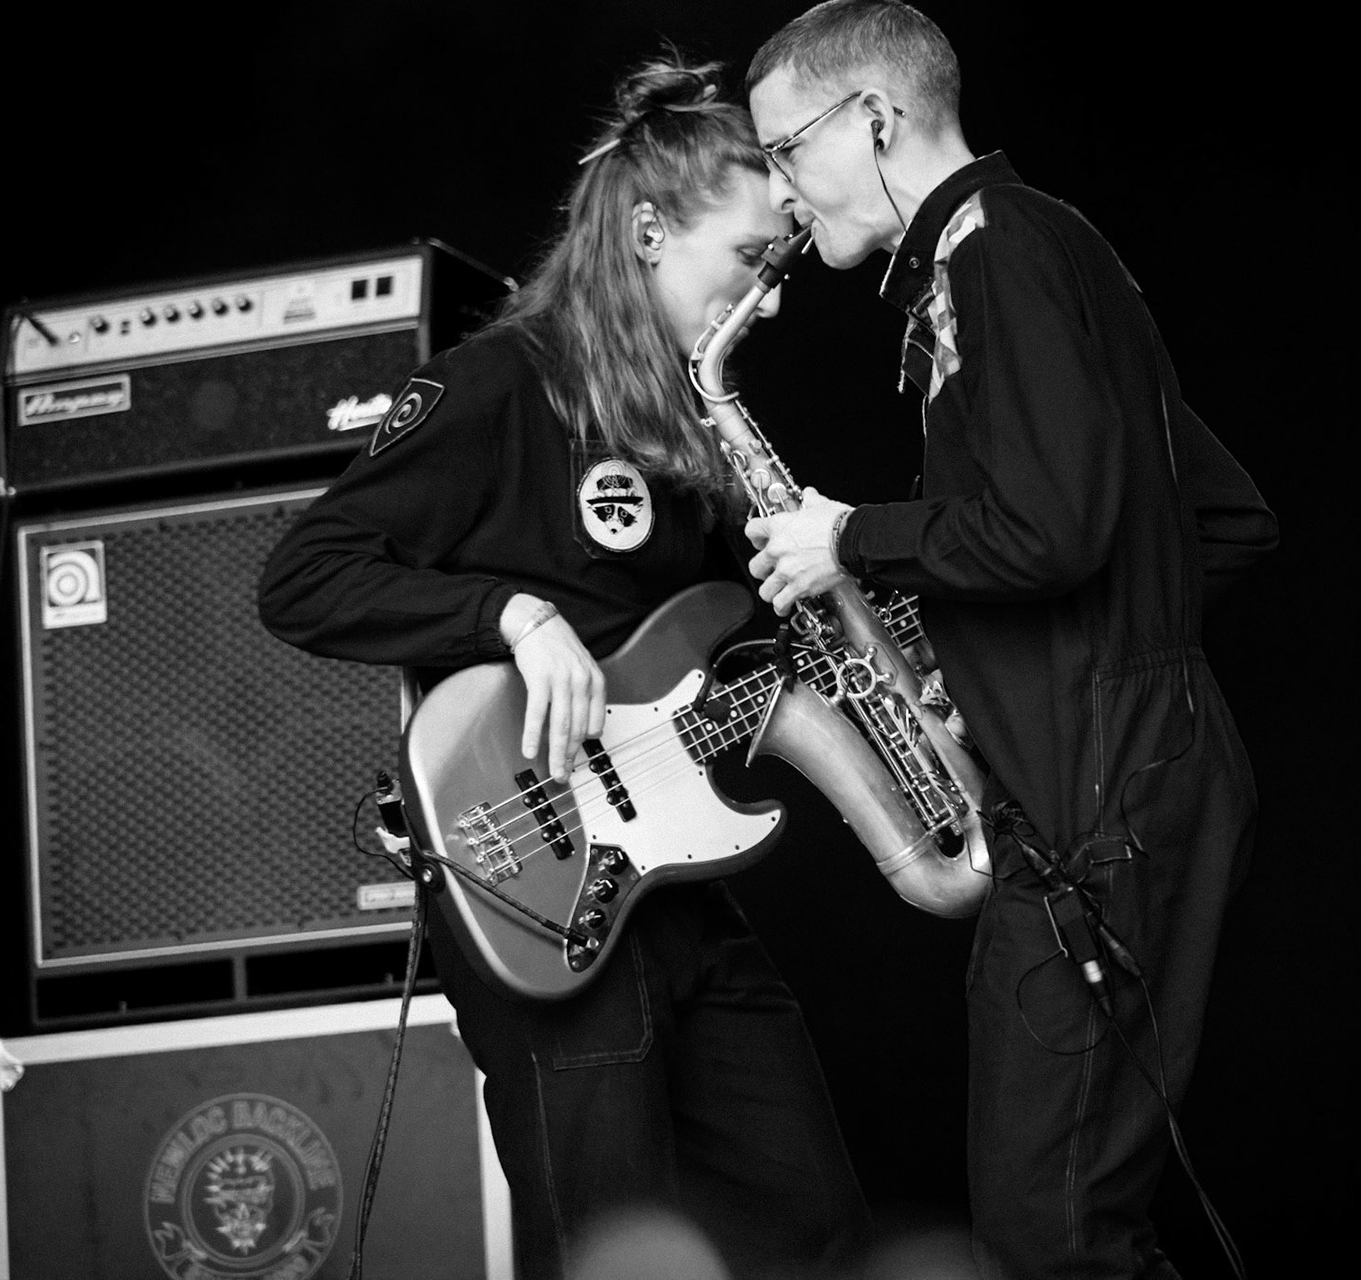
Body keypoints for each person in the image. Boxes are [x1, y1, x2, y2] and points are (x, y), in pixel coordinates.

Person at [257, 54, 868, 1280]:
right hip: (539, 878)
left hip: (675, 881)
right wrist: (514, 616)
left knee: (809, 1217)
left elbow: (703, 647)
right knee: (608, 1242)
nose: (772, 300)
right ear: (647, 231)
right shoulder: (499, 382)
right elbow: (301, 577)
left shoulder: (687, 421)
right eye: (753, 262)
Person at [739, 4, 1279, 1277]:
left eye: (784, 149)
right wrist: (1047, 656)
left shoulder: (994, 253)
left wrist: (851, 539)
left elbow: (1051, 528)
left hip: (1102, 783)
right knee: (1066, 1223)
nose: (777, 193)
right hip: (1110, 767)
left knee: (1054, 1231)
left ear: (875, 116)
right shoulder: (1049, 246)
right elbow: (1225, 519)